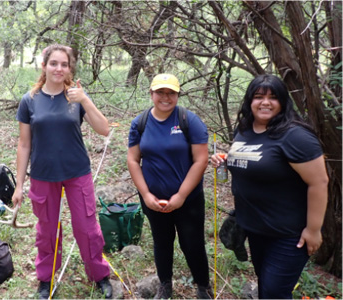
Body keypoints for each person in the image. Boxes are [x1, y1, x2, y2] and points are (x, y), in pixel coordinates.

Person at [210, 74, 328, 299]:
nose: (265, 102)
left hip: (288, 234)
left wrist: (313, 230)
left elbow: (319, 182)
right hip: (255, 229)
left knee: (274, 292)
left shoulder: (295, 136)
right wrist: (226, 161)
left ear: (283, 102)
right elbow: (255, 161)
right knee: (265, 287)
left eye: (273, 97)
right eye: (259, 96)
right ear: (249, 101)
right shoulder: (244, 130)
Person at [12, 44, 113, 299]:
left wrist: (85, 100)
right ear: (44, 66)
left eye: (64, 64)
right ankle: (46, 279)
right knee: (47, 230)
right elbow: (24, 144)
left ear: (70, 68)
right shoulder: (30, 100)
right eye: (53, 63)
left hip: (77, 171)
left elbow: (105, 129)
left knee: (87, 228)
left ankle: (99, 275)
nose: (59, 68)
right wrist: (19, 185)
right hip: (43, 175)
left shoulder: (76, 96)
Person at [127, 74, 212, 299]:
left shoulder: (188, 120)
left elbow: (201, 160)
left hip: (188, 200)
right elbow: (133, 160)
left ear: (177, 95)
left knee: (192, 243)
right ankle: (165, 284)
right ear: (151, 94)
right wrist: (145, 194)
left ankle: (203, 286)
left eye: (171, 93)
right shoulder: (141, 122)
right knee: (162, 242)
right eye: (161, 92)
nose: (166, 97)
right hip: (154, 199)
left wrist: (182, 195)